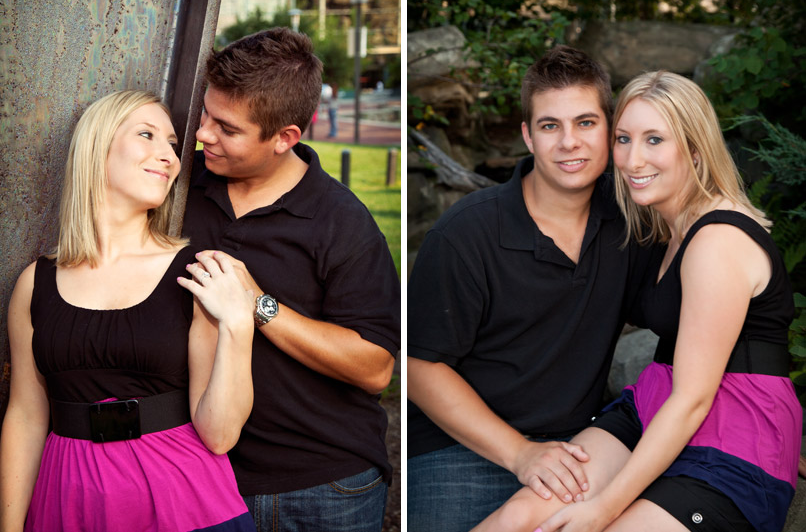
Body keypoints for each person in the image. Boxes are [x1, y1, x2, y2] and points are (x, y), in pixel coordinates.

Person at [473, 71, 801, 532]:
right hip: (655, 406)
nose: (632, 159)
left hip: (732, 434)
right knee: (521, 516)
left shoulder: (717, 240)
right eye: (624, 138)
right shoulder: (668, 231)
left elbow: (694, 398)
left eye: (654, 140)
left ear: (694, 148)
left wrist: (602, 511)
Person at [407, 45, 654, 532]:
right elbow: (418, 366)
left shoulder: (633, 223)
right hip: (459, 451)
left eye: (585, 123)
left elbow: (701, 315)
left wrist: (754, 425)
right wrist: (520, 454)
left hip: (579, 446)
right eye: (549, 126)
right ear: (527, 135)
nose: (569, 143)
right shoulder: (466, 233)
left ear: (610, 129)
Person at [0, 90, 257, 531]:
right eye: (147, 135)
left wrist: (238, 325)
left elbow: (220, 434)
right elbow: (26, 414)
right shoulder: (34, 283)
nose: (170, 157)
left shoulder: (194, 275)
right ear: (97, 148)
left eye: (173, 146)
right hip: (68, 501)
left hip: (182, 499)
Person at [181, 28, 400, 531]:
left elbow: (375, 368)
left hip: (323, 486)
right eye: (206, 114)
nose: (203, 134)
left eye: (227, 128)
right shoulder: (179, 186)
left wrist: (259, 305)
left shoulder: (341, 221)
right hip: (202, 475)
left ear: (285, 138)